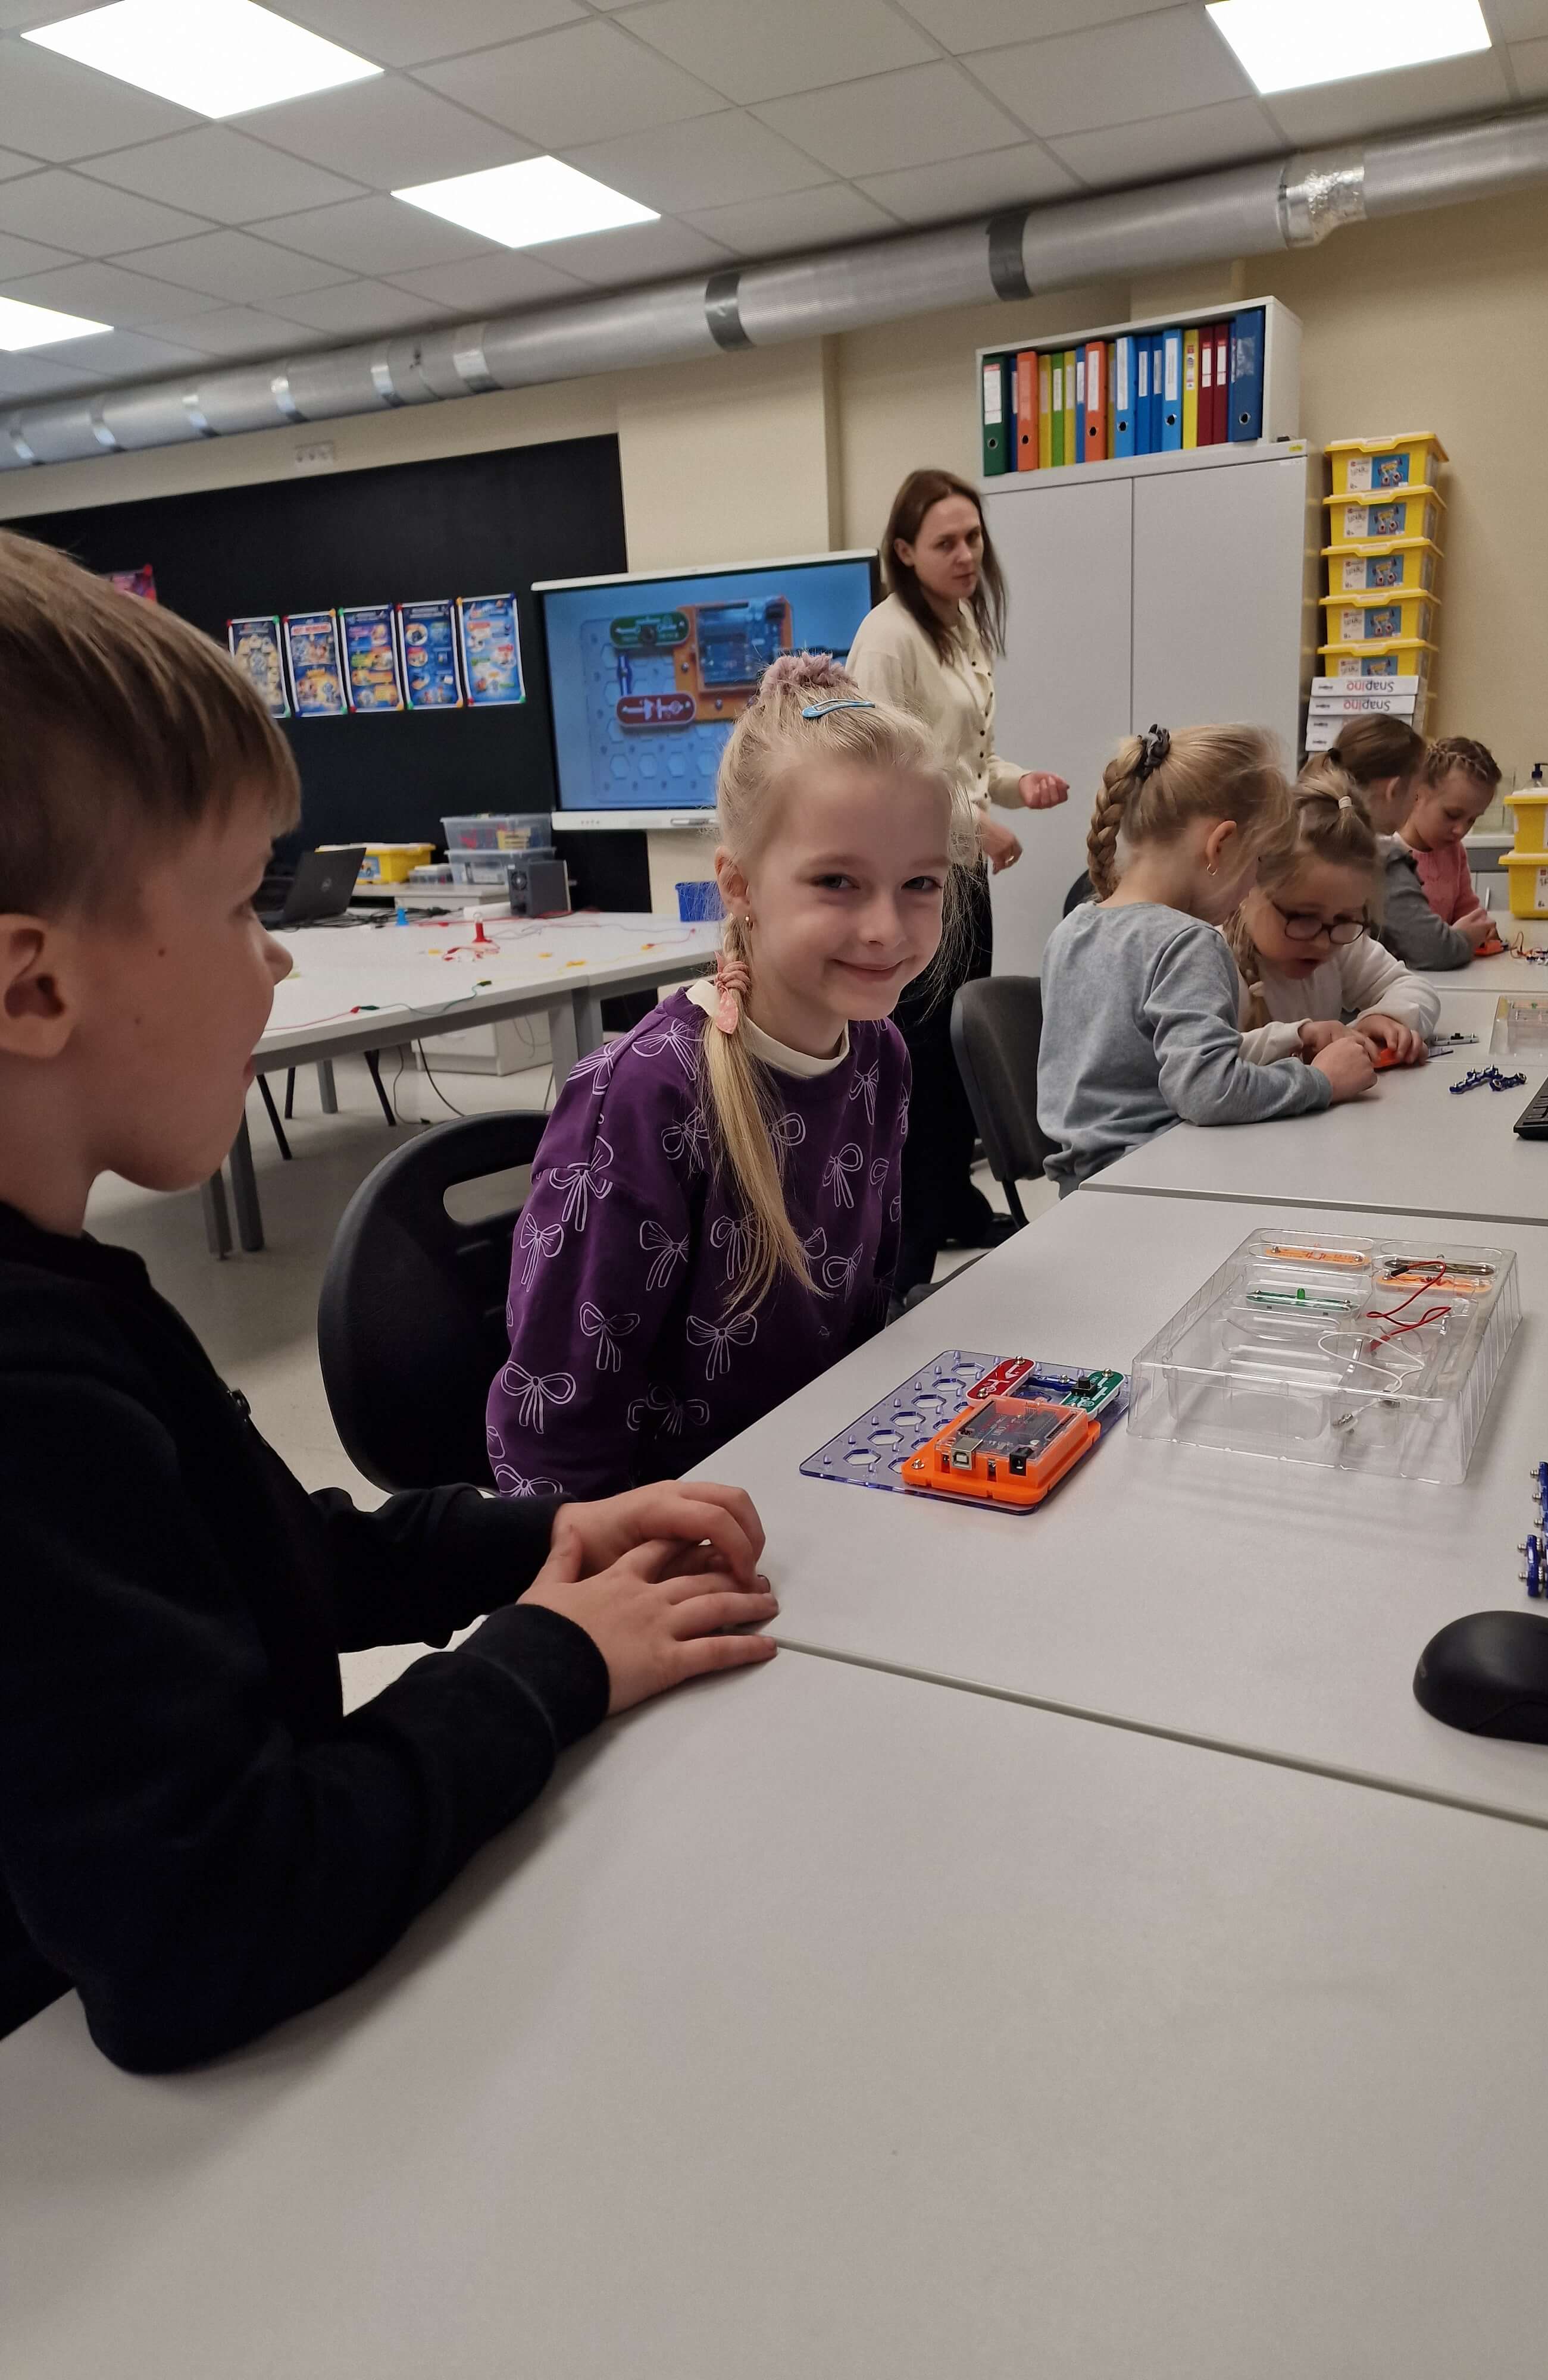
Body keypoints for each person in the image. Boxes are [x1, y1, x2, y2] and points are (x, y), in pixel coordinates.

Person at [0, 531, 780, 2071]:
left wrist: (539, 1538)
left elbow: (258, 1556)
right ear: (35, 985)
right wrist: (550, 1658)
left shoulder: (69, 1298)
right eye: (243, 907)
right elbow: (215, 1925)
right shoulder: (24, 1386)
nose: (277, 964)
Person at [492, 652, 977, 1499]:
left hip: (820, 1478)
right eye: (837, 881)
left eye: (920, 884)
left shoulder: (880, 1055)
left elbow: (862, 1316)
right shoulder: (647, 1096)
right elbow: (554, 1435)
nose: (886, 928)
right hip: (679, 1522)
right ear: (740, 885)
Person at [847, 467, 1069, 1291]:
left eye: (973, 537)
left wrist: (1017, 785)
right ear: (905, 552)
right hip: (910, 876)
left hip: (960, 876)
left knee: (952, 1057)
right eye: (946, 542)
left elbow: (965, 758)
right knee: (918, 1062)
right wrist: (977, 823)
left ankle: (948, 1205)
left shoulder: (960, 622)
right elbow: (885, 770)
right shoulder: (889, 637)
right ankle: (904, 1255)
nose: (967, 554)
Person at [1036, 725, 1377, 1186]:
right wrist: (1323, 1083)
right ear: (1220, 845)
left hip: (1082, 1190)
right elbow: (1207, 1091)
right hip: (1159, 1186)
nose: (1253, 884)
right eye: (1259, 862)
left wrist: (1287, 1039)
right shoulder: (1188, 942)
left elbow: (1148, 1064)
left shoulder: (1072, 929)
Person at [1228, 761, 1440, 1067]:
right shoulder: (1211, 961)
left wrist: (1386, 1018)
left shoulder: (1341, 945)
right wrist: (1299, 1037)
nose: (1323, 943)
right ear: (1249, 885)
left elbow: (1417, 990)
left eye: (1345, 919)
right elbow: (1201, 1063)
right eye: (1303, 917)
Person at [1378, 734, 1503, 970]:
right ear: (1416, 795)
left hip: (1447, 974)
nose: (1461, 830)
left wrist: (1483, 928)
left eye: (1472, 820)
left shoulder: (1455, 853)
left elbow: (1467, 910)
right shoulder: (1390, 858)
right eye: (1452, 815)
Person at [1320, 715, 1427, 838]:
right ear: (1394, 790)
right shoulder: (1375, 849)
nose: (1415, 804)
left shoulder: (1312, 831)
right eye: (1416, 795)